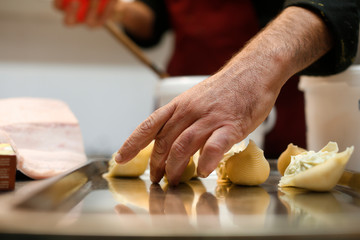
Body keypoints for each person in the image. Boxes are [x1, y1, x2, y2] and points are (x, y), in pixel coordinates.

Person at [55, 0, 359, 186]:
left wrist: (252, 74)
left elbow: (333, 5)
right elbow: (154, 17)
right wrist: (118, 9)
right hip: (188, 96)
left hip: (273, 96)